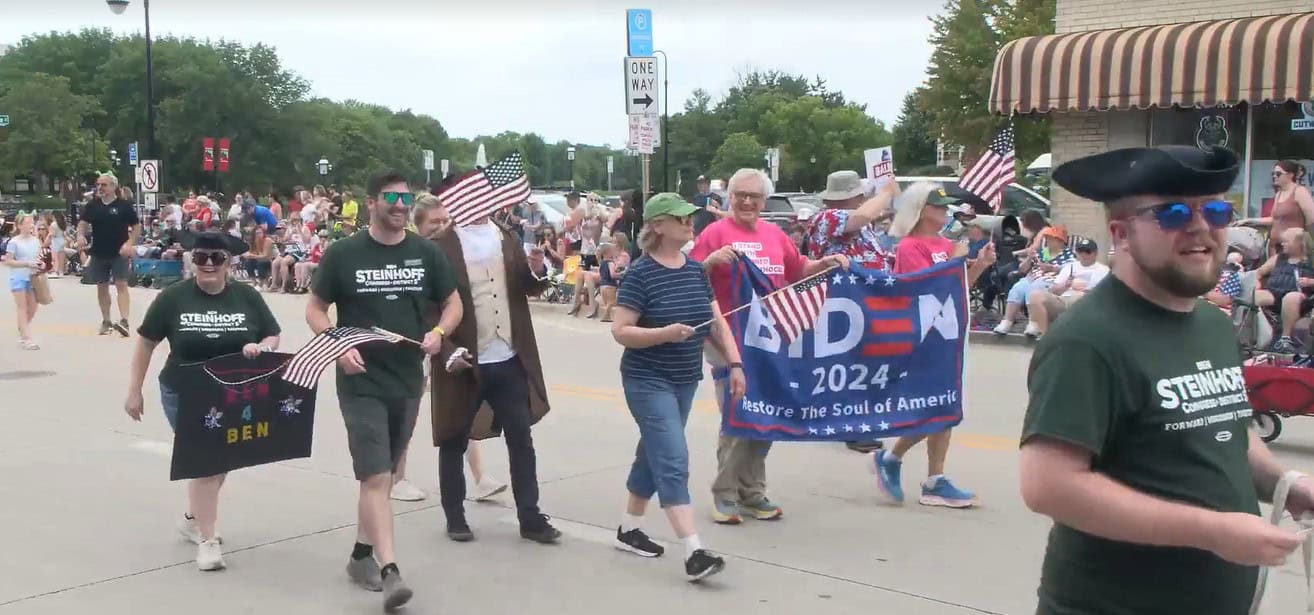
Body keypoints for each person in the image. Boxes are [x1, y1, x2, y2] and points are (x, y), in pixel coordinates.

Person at [1021, 145, 1314, 614]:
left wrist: (1289, 485)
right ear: (1121, 233)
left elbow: (1228, 434)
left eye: (1216, 210)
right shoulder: (1088, 339)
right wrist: (1213, 531)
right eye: (1174, 213)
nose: (1201, 227)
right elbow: (1049, 486)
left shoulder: (1213, 325)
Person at [306, 170, 463, 611]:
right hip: (361, 381)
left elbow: (453, 302)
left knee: (385, 476)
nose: (399, 205)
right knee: (375, 475)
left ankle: (360, 555)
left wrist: (438, 331)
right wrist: (335, 343)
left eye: (405, 198)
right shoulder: (344, 254)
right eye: (390, 197)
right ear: (371, 202)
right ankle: (390, 569)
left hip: (408, 378)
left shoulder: (425, 253)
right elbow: (315, 308)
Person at [689, 168, 849, 525]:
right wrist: (710, 263)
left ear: (764, 201)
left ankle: (752, 492)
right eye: (740, 195)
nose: (747, 202)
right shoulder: (715, 233)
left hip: (772, 342)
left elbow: (798, 270)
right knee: (739, 414)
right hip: (726, 339)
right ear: (729, 197)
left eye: (754, 196)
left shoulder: (775, 235)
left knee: (766, 416)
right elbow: (687, 275)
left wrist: (823, 264)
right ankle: (725, 494)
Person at [124, 230, 281, 571]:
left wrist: (263, 347)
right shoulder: (173, 298)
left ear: (229, 262)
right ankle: (208, 541)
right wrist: (134, 390)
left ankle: (192, 519)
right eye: (200, 258)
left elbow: (272, 332)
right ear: (190, 260)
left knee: (220, 461)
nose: (208, 265)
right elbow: (146, 341)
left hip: (231, 391)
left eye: (217, 258)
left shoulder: (247, 297)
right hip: (184, 390)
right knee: (205, 463)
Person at [610, 193, 741, 581]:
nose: (690, 224)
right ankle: (694, 551)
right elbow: (621, 331)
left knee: (652, 454)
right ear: (657, 226)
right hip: (647, 379)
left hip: (685, 379)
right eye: (681, 219)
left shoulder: (696, 270)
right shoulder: (640, 274)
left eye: (690, 218)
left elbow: (716, 322)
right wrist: (662, 333)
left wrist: (734, 363)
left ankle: (629, 529)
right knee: (672, 457)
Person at [428, 195, 560, 546]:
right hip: (464, 360)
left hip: (508, 356)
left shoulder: (505, 236)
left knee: (521, 438)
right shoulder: (439, 245)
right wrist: (447, 350)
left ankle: (530, 518)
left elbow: (525, 286)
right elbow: (427, 306)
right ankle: (455, 517)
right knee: (454, 438)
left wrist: (536, 268)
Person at [869, 183, 995, 509]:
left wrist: (979, 266)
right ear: (922, 210)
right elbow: (922, 291)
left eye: (945, 207)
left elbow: (955, 288)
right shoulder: (910, 247)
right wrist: (953, 262)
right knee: (937, 405)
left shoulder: (944, 244)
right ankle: (912, 468)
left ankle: (926, 475)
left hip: (950, 334)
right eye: (938, 207)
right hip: (924, 338)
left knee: (946, 405)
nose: (945, 212)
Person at [805, 170, 899, 454]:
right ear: (853, 196)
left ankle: (862, 419)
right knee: (850, 366)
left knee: (867, 364)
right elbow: (859, 219)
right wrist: (886, 193)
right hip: (844, 303)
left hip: (868, 302)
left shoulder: (859, 224)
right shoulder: (828, 217)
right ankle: (851, 425)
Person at [78, 174, 140, 336]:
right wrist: (80, 235)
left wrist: (130, 243)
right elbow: (82, 223)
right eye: (98, 184)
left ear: (113, 187)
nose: (100, 188)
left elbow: (136, 226)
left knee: (121, 284)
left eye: (104, 185)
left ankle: (124, 321)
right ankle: (106, 321)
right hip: (99, 251)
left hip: (119, 252)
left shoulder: (123, 206)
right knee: (102, 286)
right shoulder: (93, 205)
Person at [1026, 236, 1109, 337]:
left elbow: (1105, 295)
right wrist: (1066, 285)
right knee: (1035, 295)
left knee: (1081, 298)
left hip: (1086, 301)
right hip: (1064, 299)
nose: (1084, 255)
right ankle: (1045, 337)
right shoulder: (1070, 266)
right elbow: (1054, 290)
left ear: (1095, 253)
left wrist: (1087, 290)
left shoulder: (1103, 270)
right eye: (1080, 251)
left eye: (1088, 251)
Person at [1238, 160, 1314, 257]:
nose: (1274, 176)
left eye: (1278, 174)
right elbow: (1273, 219)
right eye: (1273, 174)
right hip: (1274, 247)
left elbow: (1311, 219)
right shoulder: (1279, 193)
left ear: (1290, 175)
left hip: (1291, 248)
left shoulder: (1299, 191)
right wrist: (1249, 220)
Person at [4, 212, 45, 349]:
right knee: (22, 307)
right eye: (28, 223)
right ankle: (27, 339)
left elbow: (39, 257)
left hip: (33, 277)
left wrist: (42, 264)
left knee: (33, 307)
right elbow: (8, 261)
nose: (31, 226)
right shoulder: (14, 242)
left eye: (32, 223)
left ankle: (22, 330)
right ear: (20, 225)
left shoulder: (36, 241)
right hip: (18, 277)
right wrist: (26, 263)